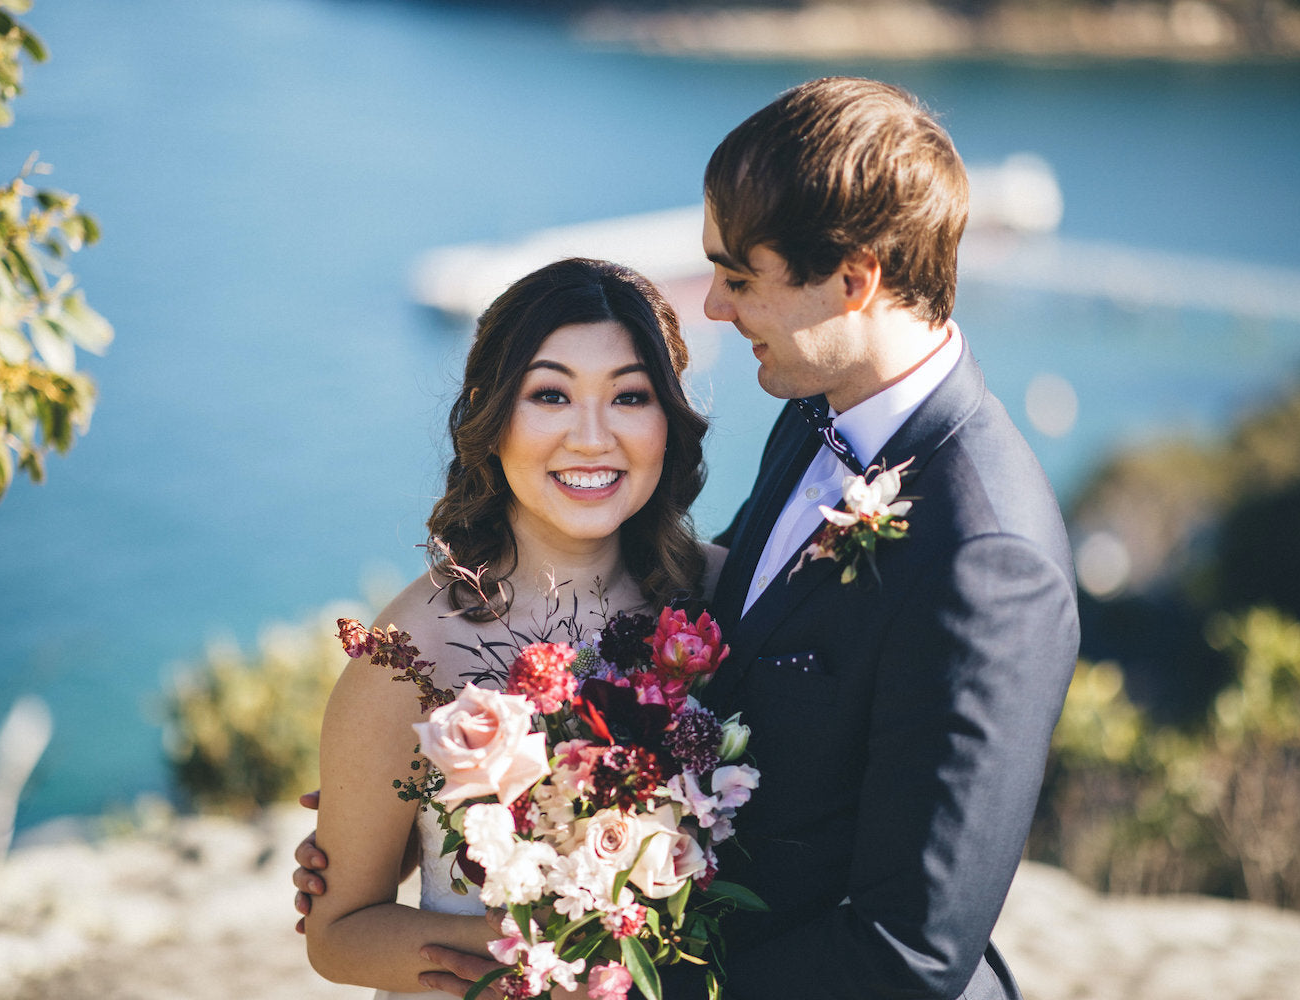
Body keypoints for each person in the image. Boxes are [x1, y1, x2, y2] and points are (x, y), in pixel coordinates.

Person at [299, 77, 1080, 999]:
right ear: (492, 416)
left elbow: (907, 954)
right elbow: (761, 640)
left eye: (740, 277)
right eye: (550, 394)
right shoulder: (815, 420)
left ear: (853, 282)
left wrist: (605, 976)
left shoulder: (989, 557)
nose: (713, 306)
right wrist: (401, 807)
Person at [300, 256, 719, 997]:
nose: (591, 438)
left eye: (629, 396)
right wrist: (561, 958)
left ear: (668, 419)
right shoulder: (410, 650)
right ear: (491, 415)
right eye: (550, 394)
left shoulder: (723, 603)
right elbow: (339, 934)